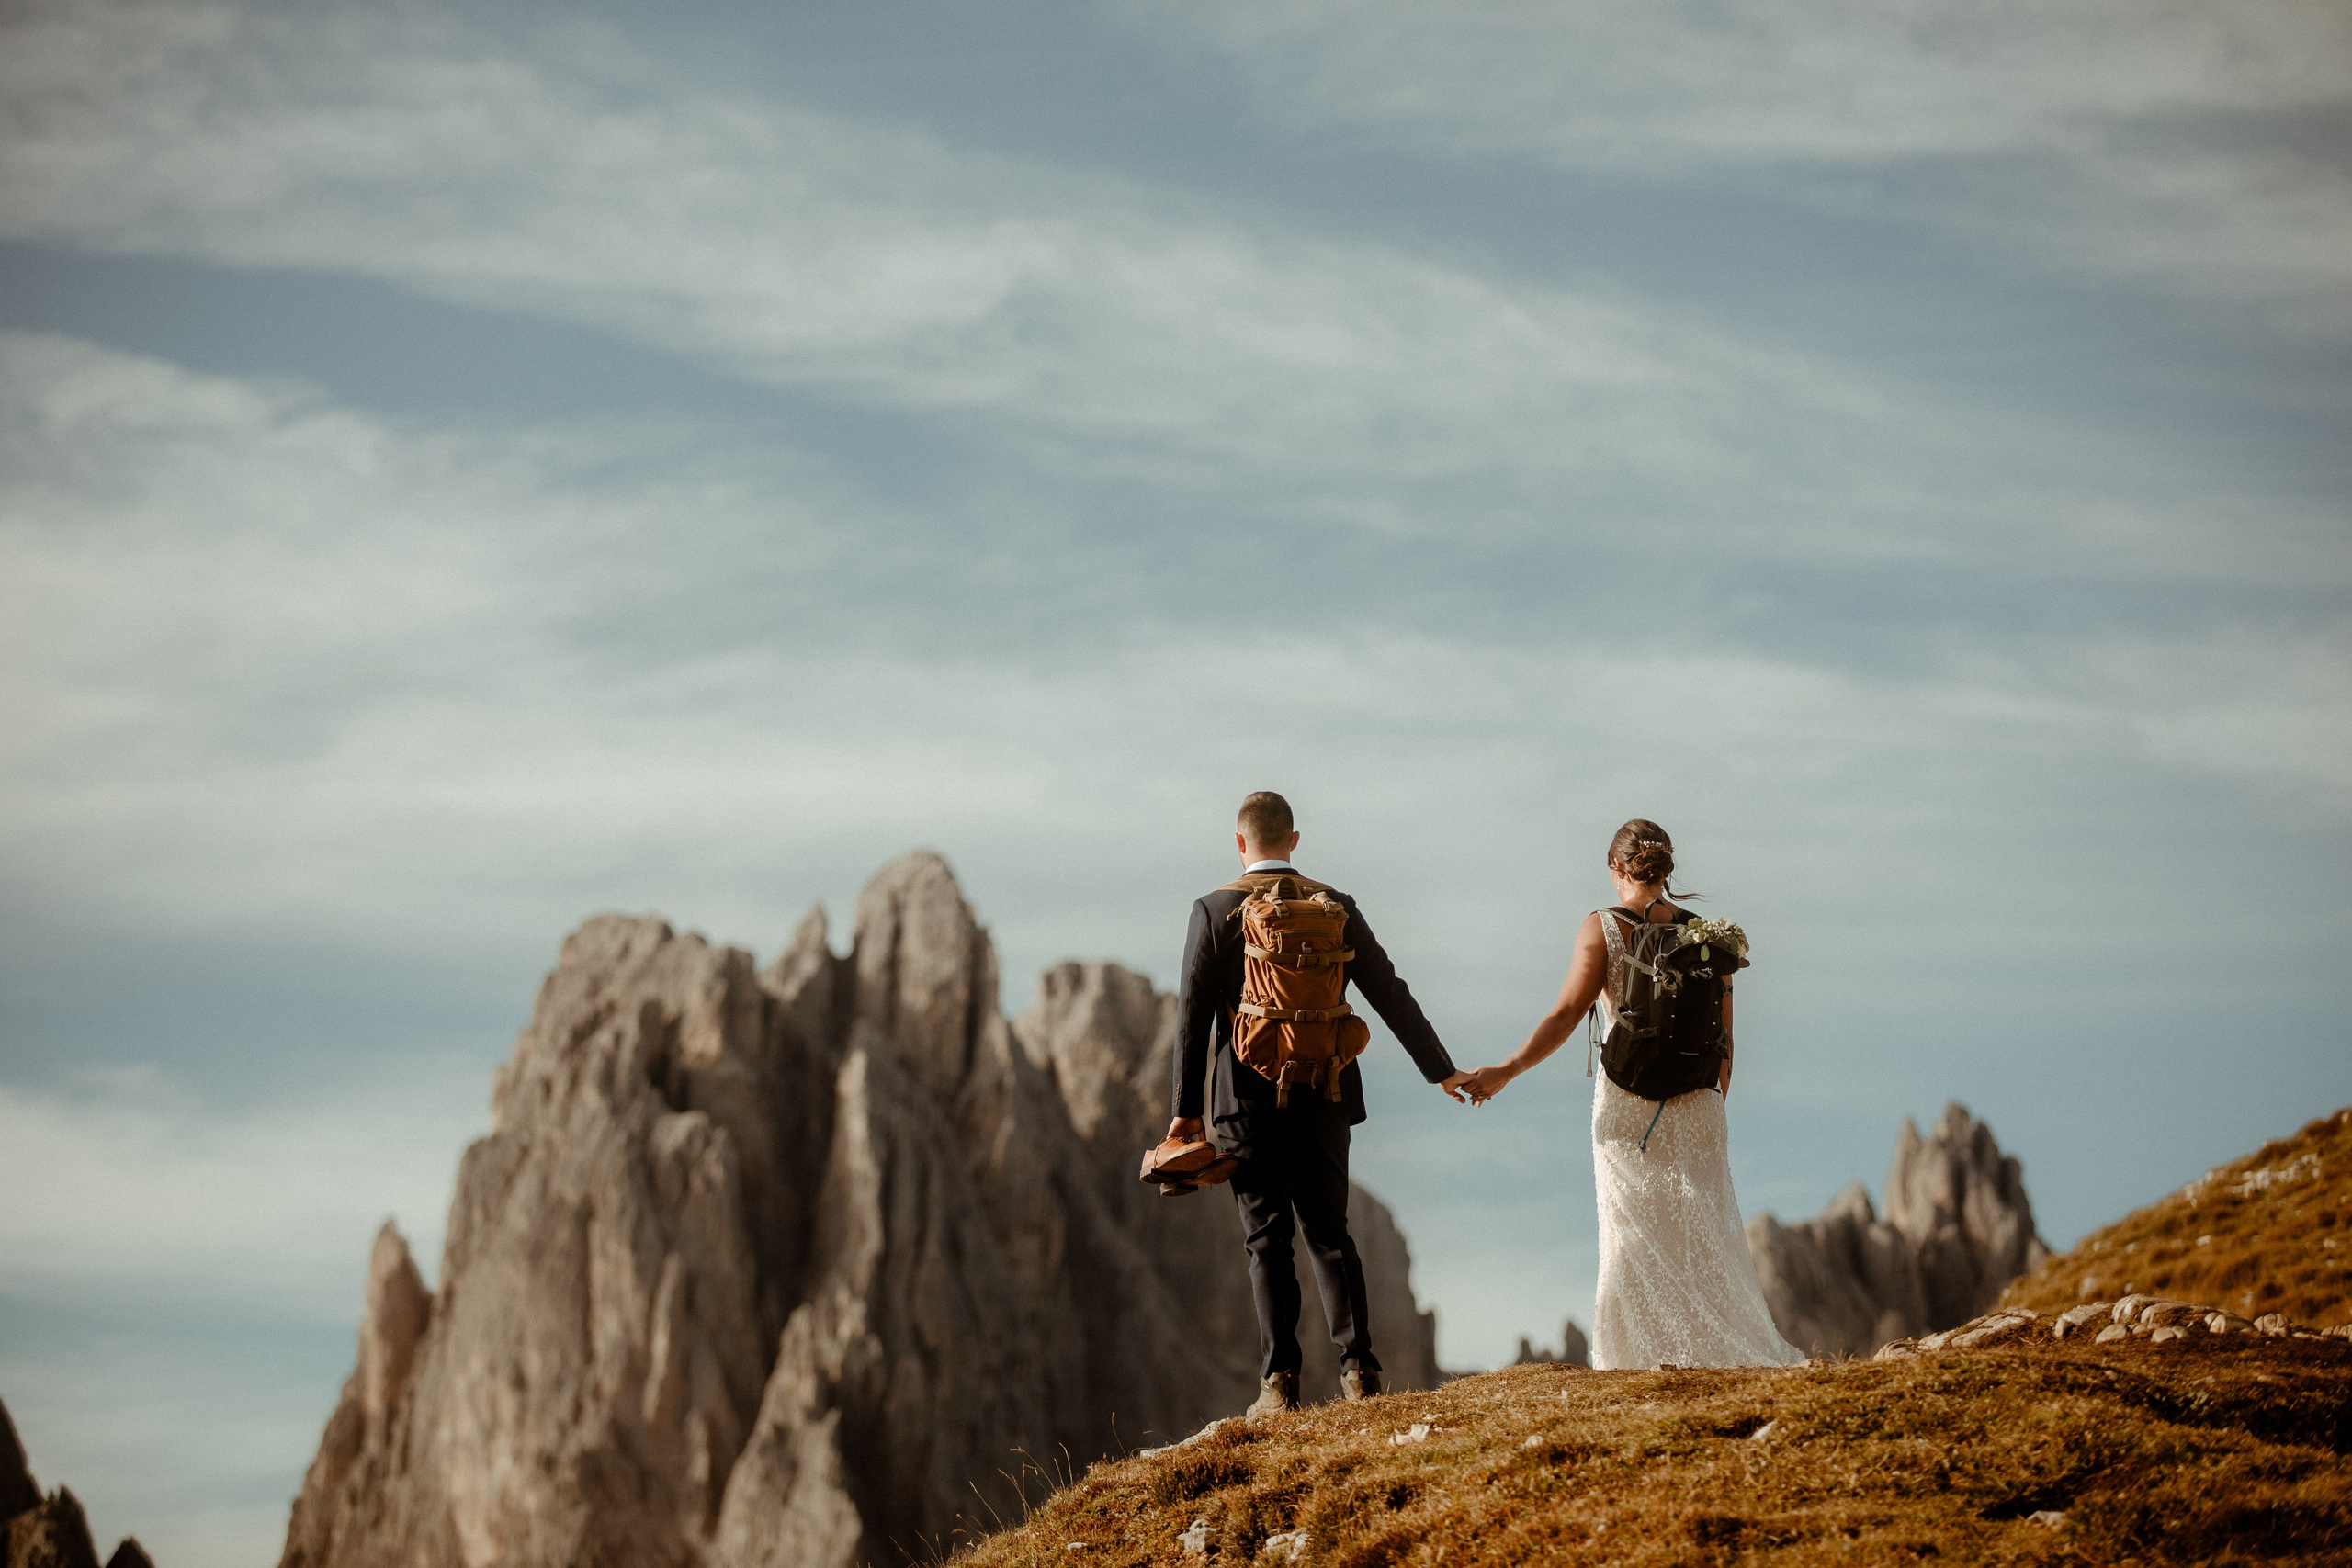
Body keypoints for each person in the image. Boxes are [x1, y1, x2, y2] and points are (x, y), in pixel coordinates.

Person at [1170, 791, 1474, 1416]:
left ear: (1239, 842)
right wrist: (1440, 1070)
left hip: (1246, 1096)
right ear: (1294, 840)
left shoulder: (1214, 909)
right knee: (1331, 1232)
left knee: (1267, 1238)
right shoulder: (1335, 906)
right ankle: (1359, 1370)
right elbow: (1388, 991)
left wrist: (1186, 1111)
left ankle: (1279, 1382)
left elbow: (1192, 1017)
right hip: (1326, 1088)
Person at [1463, 820, 1801, 1370]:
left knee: (1632, 1238)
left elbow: (1566, 1013)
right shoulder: (1709, 936)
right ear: (1667, 868)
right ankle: (1724, 1356)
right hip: (1699, 1104)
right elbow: (1725, 1038)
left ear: (1617, 868)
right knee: (1701, 1235)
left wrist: (1508, 1068)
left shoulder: (1603, 927)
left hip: (1626, 1103)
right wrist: (1711, 1101)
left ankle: (1633, 1362)